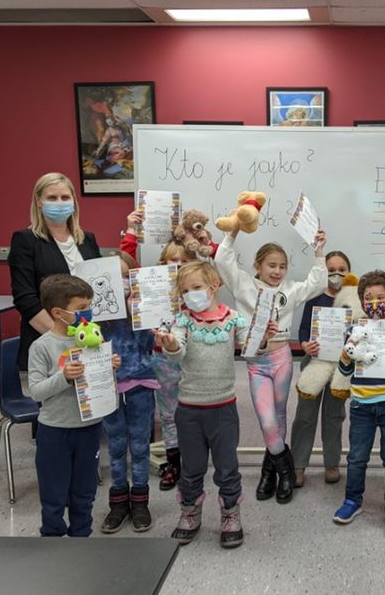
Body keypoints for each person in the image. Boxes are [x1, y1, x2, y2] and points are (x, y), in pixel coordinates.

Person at [155, 262, 277, 547]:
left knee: (226, 467)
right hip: (189, 409)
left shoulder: (234, 319)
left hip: (223, 408)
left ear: (214, 286)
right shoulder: (182, 321)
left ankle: (231, 514)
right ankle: (190, 512)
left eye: (196, 288)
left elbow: (251, 350)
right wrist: (170, 343)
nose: (190, 295)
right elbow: (177, 353)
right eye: (184, 290)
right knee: (192, 466)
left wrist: (264, 338)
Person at [215, 228, 328, 504]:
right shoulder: (244, 285)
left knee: (278, 417)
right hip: (256, 363)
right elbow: (222, 262)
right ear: (258, 265)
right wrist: (232, 234)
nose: (277, 272)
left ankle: (269, 472)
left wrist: (319, 252)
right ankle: (285, 468)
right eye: (271, 265)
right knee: (266, 421)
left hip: (282, 360)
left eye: (282, 267)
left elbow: (317, 282)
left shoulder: (289, 289)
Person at [27, 274, 120, 537]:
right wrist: (64, 376)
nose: (88, 313)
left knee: (84, 493)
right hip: (55, 431)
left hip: (89, 428)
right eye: (81, 308)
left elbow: (98, 384)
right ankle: (53, 541)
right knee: (54, 496)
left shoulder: (92, 340)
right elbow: (35, 391)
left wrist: (109, 368)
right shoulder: (42, 347)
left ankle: (82, 539)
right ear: (58, 313)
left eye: (90, 306)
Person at [333, 270, 385, 536]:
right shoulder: (354, 330)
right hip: (362, 405)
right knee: (357, 458)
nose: (374, 302)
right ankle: (352, 501)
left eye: (381, 297)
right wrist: (347, 353)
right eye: (368, 298)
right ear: (361, 301)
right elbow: (345, 371)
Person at [120, 209, 192, 490]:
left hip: (191, 360)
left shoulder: (196, 291)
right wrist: (130, 233)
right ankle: (173, 463)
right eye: (173, 260)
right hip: (161, 360)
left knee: (193, 413)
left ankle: (193, 459)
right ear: (162, 263)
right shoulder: (151, 288)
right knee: (169, 414)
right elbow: (127, 264)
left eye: (185, 261)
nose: (178, 266)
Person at [9, 172, 101, 370]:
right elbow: (25, 299)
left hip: (90, 340)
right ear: (39, 202)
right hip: (50, 344)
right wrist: (63, 338)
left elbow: (100, 286)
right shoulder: (26, 240)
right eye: (52, 197)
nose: (59, 202)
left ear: (74, 201)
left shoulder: (88, 239)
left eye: (65, 197)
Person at [99, 251, 157, 534]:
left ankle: (141, 501)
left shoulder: (142, 306)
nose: (120, 282)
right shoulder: (96, 312)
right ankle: (118, 502)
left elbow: (149, 344)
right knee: (116, 445)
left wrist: (140, 315)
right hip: (108, 387)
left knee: (139, 445)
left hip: (140, 383)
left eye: (125, 275)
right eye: (114, 276)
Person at [291, 251, 352, 487]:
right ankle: (298, 464)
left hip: (340, 366)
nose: (336, 274)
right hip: (314, 363)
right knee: (305, 415)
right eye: (331, 270)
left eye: (341, 270)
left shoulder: (352, 299)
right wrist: (306, 344)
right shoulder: (315, 297)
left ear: (349, 273)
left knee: (334, 415)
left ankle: (332, 463)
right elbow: (305, 329)